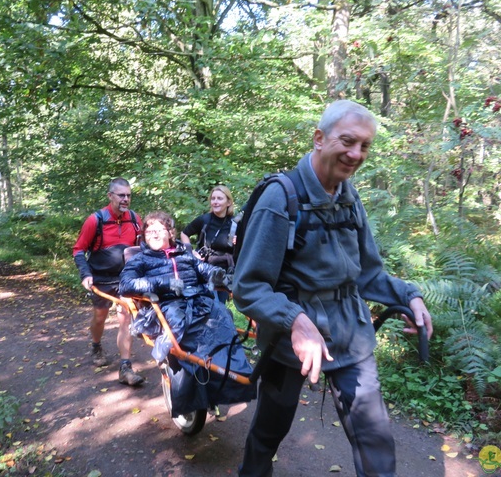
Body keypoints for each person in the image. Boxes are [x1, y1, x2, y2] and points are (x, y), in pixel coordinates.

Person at [232, 100, 434, 477]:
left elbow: (368, 274)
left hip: (350, 334)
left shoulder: (349, 197)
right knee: (268, 432)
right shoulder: (281, 198)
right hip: (288, 344)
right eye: (348, 141)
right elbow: (247, 287)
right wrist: (295, 320)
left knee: (375, 438)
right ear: (320, 139)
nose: (356, 154)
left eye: (365, 146)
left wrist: (409, 295)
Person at [119, 211, 255, 415]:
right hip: (167, 306)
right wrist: (164, 284)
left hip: (198, 301)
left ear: (170, 233)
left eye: (159, 230)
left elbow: (204, 269)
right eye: (150, 231)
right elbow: (126, 284)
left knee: (223, 319)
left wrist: (218, 275)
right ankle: (191, 393)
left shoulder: (185, 255)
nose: (154, 235)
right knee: (186, 332)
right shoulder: (141, 260)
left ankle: (229, 382)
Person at [73, 177, 145, 387]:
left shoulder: (135, 219)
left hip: (125, 277)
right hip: (101, 278)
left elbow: (141, 248)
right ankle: (96, 345)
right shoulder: (95, 220)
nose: (126, 199)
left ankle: (125, 367)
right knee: (99, 318)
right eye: (121, 195)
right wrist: (85, 274)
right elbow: (78, 250)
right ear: (110, 196)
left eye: (128, 195)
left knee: (125, 317)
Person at [180, 185, 237, 302]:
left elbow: (244, 247)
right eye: (213, 198)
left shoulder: (235, 224)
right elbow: (184, 233)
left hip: (226, 273)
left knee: (220, 306)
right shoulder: (204, 220)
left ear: (229, 202)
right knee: (211, 304)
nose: (215, 202)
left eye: (219, 199)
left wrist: (239, 242)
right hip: (205, 269)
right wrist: (190, 253)